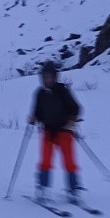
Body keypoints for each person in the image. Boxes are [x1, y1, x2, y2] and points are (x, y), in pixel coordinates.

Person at [28, 61, 82, 201]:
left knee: (69, 162)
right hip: (48, 131)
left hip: (64, 131)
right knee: (45, 161)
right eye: (45, 77)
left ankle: (73, 190)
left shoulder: (63, 91)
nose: (48, 80)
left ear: (55, 76)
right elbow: (37, 112)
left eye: (50, 77)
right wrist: (33, 117)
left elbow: (75, 108)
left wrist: (71, 121)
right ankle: (43, 189)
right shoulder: (39, 94)